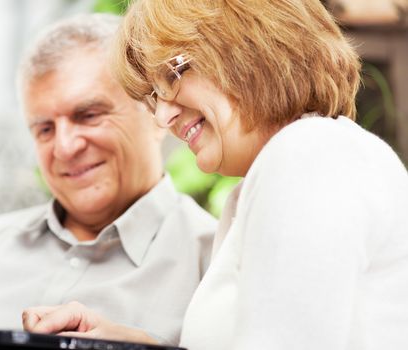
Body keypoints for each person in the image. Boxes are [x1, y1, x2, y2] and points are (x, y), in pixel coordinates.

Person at [22, 1, 408, 349]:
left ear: (247, 50)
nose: (162, 116)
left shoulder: (308, 156)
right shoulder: (280, 171)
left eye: (171, 78)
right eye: (154, 97)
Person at [0, 13, 217, 345]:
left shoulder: (218, 262)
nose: (65, 147)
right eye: (44, 129)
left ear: (156, 115)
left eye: (89, 115)